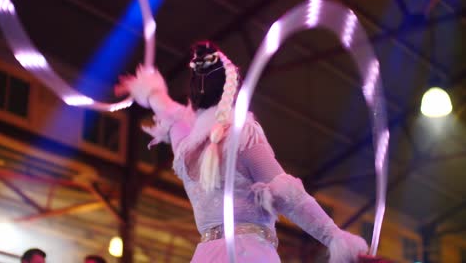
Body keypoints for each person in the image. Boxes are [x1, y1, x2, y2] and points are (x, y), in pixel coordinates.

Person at [115, 41, 368, 262]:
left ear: (194, 95)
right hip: (249, 254)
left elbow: (170, 113)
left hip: (206, 255)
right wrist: (335, 237)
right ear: (232, 89)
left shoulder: (185, 149)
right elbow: (289, 197)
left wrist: (152, 93)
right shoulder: (243, 138)